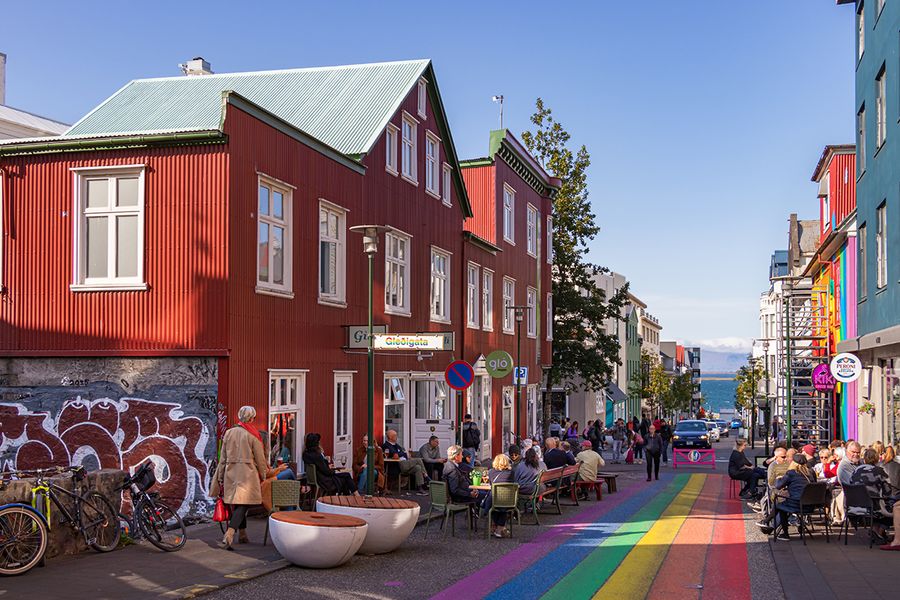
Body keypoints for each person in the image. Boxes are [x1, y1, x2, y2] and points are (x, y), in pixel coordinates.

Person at [210, 406, 268, 550]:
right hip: (247, 474)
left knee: (237, 503)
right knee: (243, 504)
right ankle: (230, 533)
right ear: (251, 418)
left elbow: (223, 457)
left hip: (231, 472)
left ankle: (242, 534)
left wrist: (220, 476)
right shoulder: (252, 435)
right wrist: (264, 474)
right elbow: (260, 459)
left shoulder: (229, 433)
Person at [849, 448, 895, 541]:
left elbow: (850, 484)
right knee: (894, 505)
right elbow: (888, 491)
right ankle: (879, 531)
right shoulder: (879, 471)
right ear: (877, 459)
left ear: (864, 459)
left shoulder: (855, 471)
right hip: (873, 507)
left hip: (854, 507)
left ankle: (876, 531)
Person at [770, 455, 816, 539]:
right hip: (811, 506)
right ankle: (768, 523)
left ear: (793, 463)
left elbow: (778, 486)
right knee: (783, 504)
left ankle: (785, 533)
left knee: (780, 506)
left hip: (797, 505)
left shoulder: (791, 473)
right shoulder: (811, 472)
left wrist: (778, 478)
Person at [382, 430, 429, 494]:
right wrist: (401, 453)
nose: (397, 437)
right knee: (418, 460)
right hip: (398, 465)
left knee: (418, 467)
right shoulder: (386, 445)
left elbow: (404, 454)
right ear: (390, 437)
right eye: (395, 435)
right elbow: (395, 454)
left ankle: (420, 488)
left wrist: (401, 453)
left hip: (405, 463)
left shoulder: (397, 445)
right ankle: (426, 476)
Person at [481, 454, 515, 538]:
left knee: (494, 504)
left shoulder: (491, 472)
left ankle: (496, 527)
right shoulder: (511, 473)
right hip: (508, 500)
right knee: (503, 506)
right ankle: (500, 528)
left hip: (493, 499)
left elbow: (490, 484)